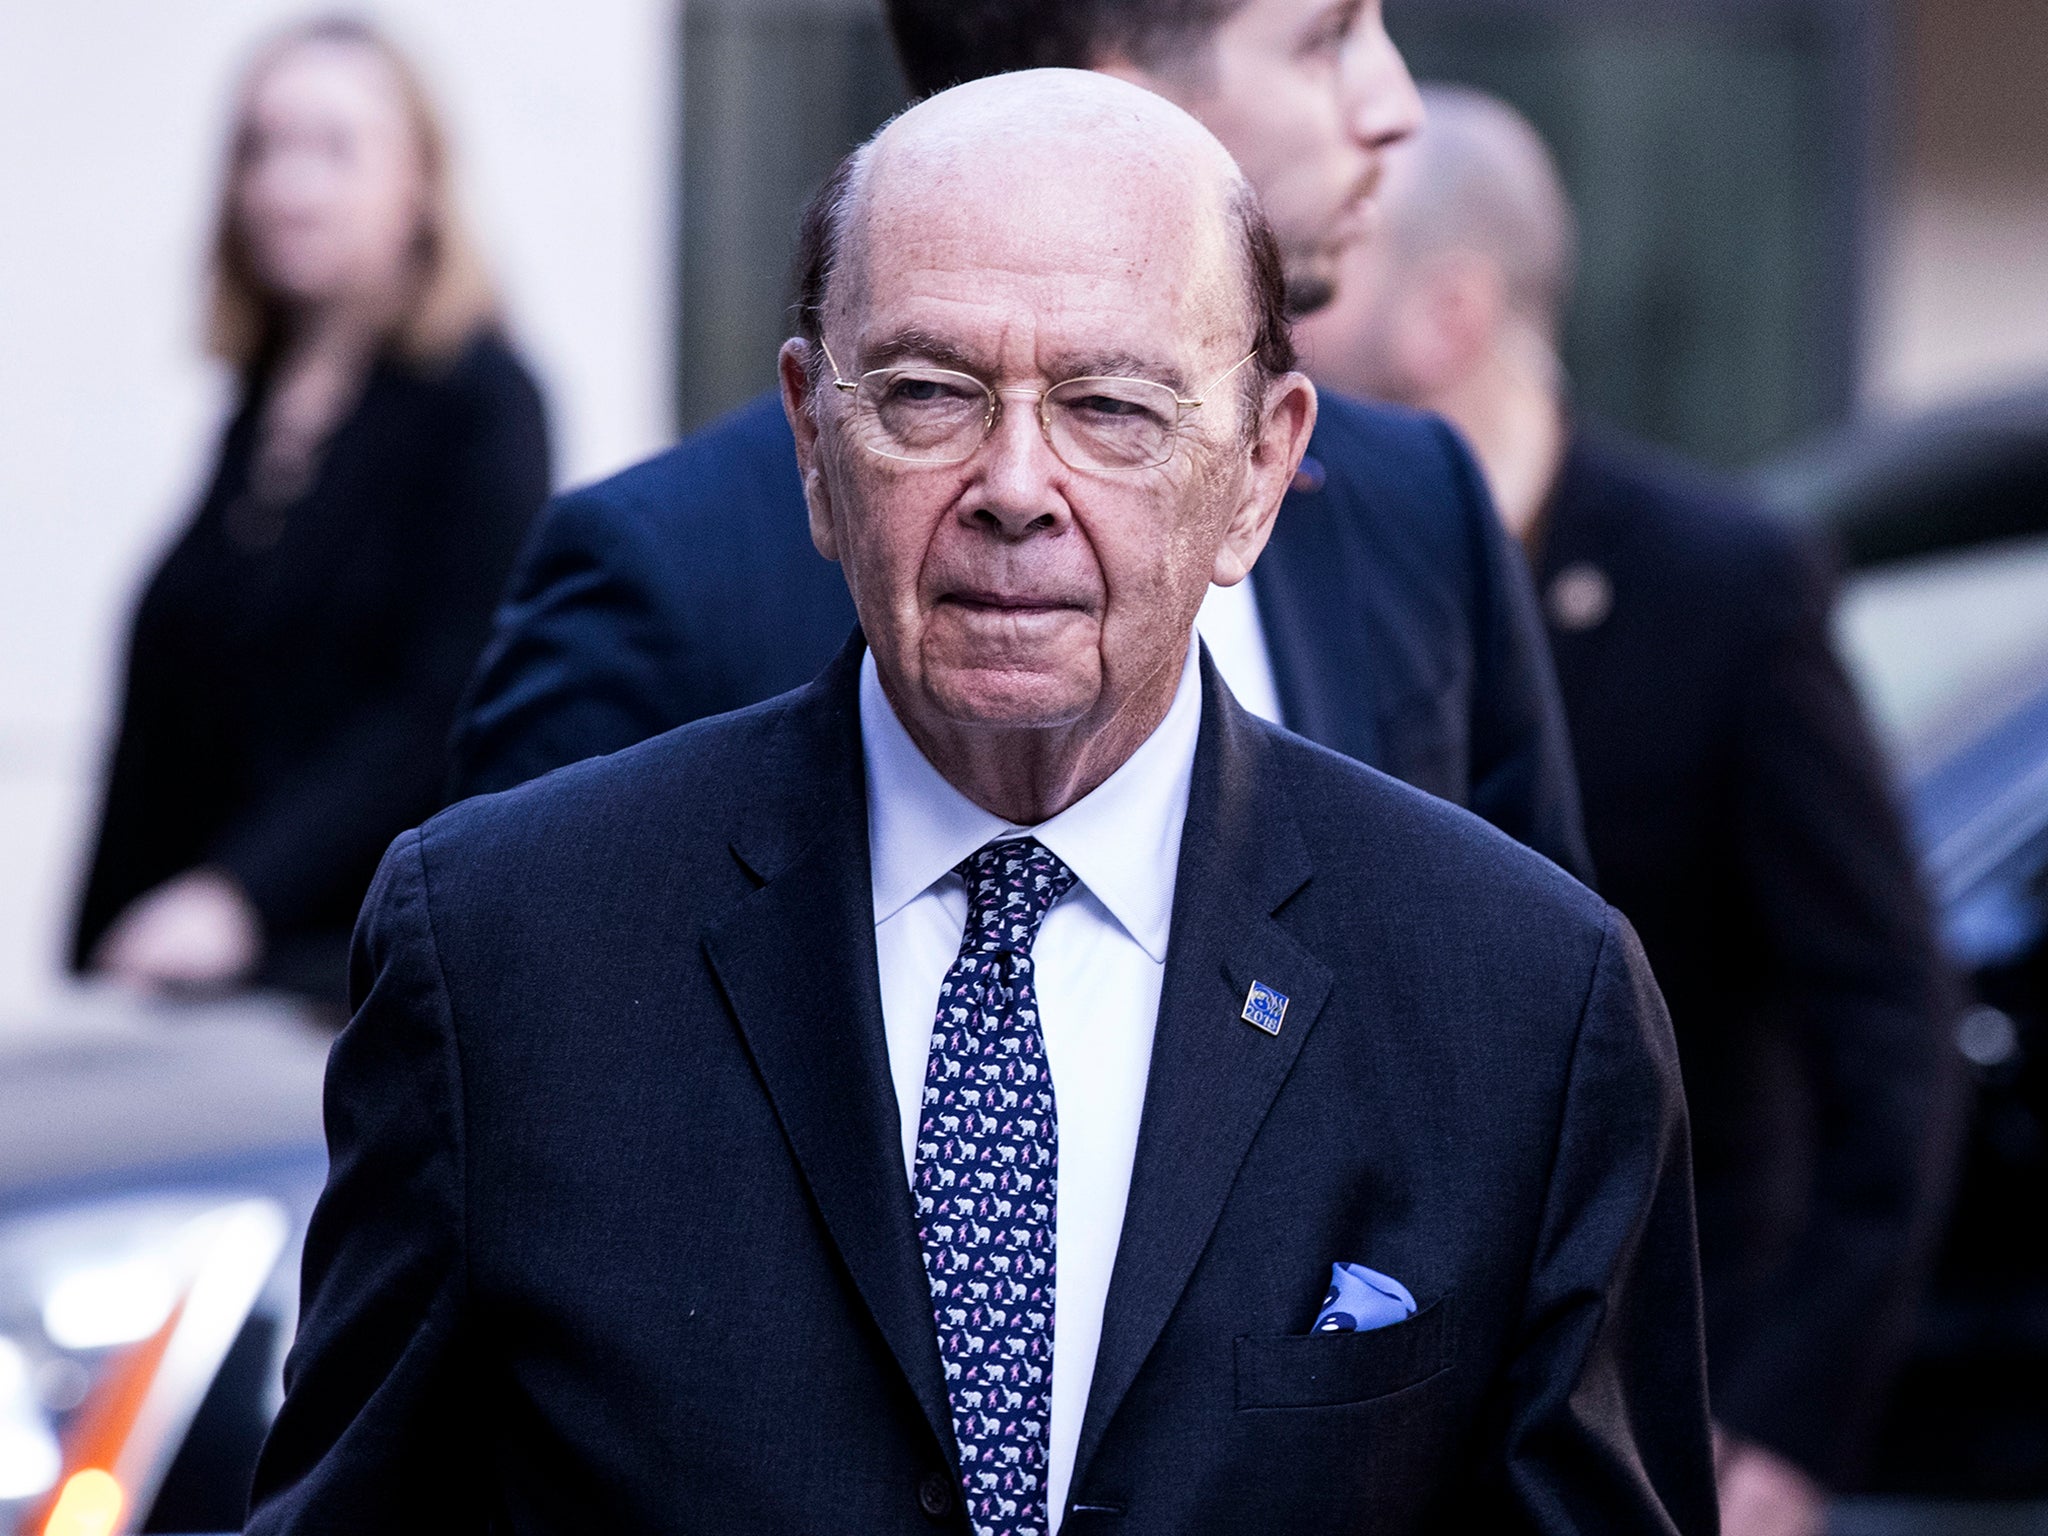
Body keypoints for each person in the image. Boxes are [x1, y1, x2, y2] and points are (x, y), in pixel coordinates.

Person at [247, 72, 1714, 1536]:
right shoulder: (510, 954)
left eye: (1110, 406)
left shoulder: (1521, 1008)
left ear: (1263, 472)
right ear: (813, 442)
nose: (1016, 485)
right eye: (929, 395)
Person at [448, 0, 1593, 885]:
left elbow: (1509, 1035)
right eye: (1325, 39)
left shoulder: (1415, 502)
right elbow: (534, 1061)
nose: (1393, 106)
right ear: (1103, 97)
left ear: (1260, 468)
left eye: (1111, 412)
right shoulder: (664, 577)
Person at [1296, 85, 1963, 1536]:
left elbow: (1893, 1036)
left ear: (1450, 315)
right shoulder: (1295, 575)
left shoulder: (1723, 587)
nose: (1275, 331)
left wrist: (1789, 1429)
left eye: (1319, 289)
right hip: (1371, 1395)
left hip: (1675, 1400)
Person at [71, 17, 550, 1009]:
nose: (286, 185)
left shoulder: (479, 400)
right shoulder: (257, 404)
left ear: (419, 181)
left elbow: (439, 703)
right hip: (180, 983)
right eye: (262, 146)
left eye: (333, 148)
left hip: (349, 986)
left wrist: (234, 898)